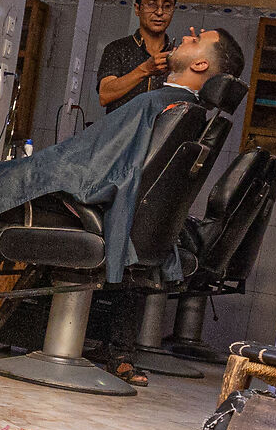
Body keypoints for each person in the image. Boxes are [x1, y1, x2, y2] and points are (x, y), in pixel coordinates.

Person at [98, 24, 247, 384]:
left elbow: (97, 166)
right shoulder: (187, 112)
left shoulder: (169, 108)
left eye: (196, 40)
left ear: (199, 66)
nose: (186, 35)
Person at [94, 0, 179, 112]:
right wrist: (146, 69)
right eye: (152, 5)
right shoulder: (117, 49)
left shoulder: (177, 56)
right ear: (138, 9)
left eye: (167, 6)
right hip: (120, 132)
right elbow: (105, 95)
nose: (159, 12)